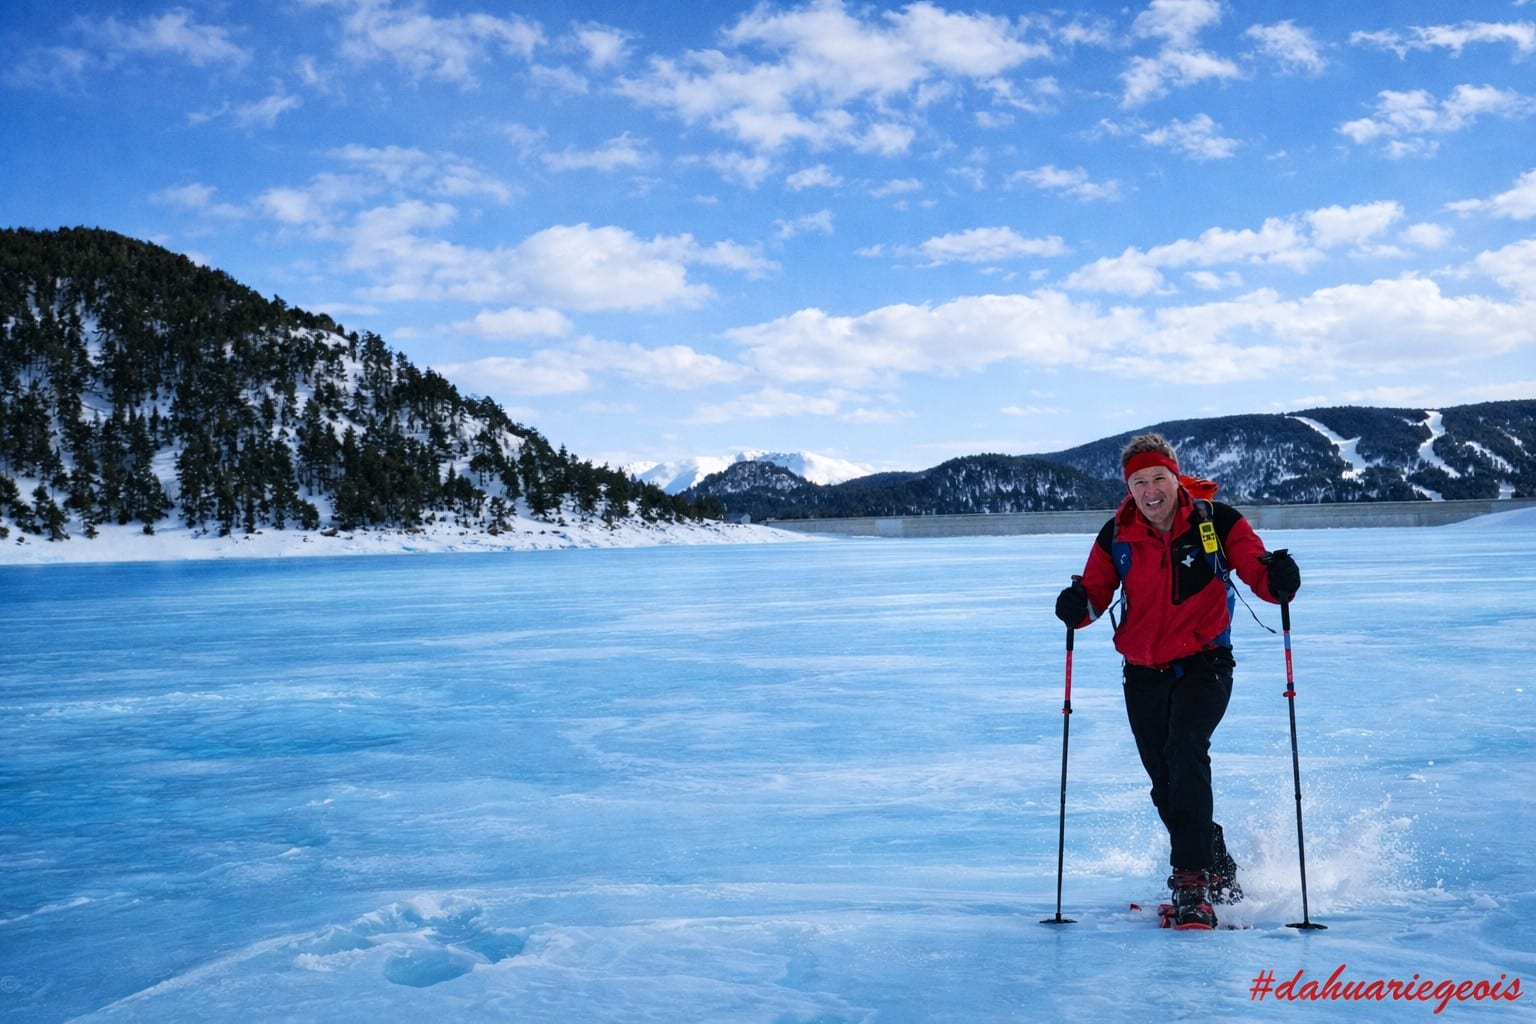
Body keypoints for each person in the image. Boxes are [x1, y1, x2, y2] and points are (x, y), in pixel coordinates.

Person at [1054, 432, 1300, 930]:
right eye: (1139, 482)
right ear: (1129, 487)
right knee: (1164, 784)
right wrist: (1078, 609)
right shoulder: (1116, 534)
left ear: (1175, 476)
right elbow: (1097, 593)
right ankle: (1217, 863)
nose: (1150, 491)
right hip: (1141, 672)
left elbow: (1255, 569)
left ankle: (1192, 885)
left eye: (1158, 478)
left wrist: (1277, 580)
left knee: (1185, 752)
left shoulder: (1217, 520)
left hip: (1206, 664)